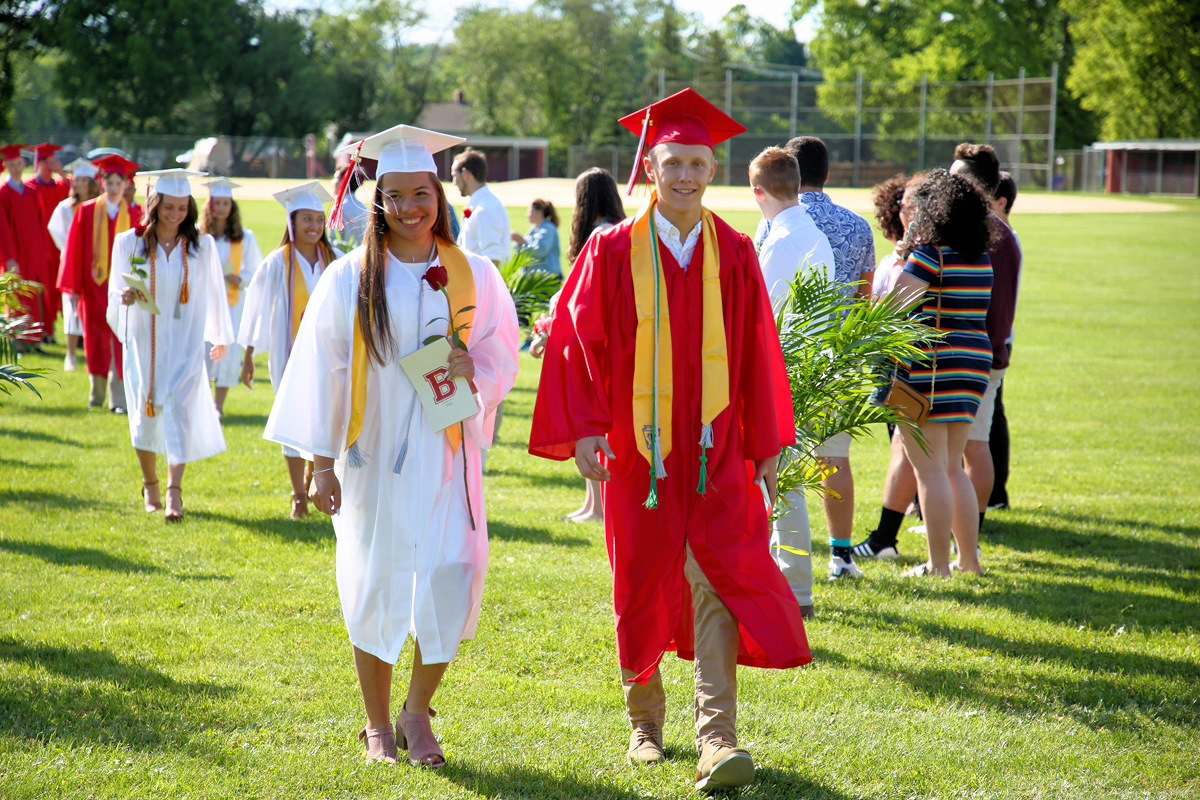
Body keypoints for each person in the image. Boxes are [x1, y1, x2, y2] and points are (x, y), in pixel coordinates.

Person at [530, 89, 810, 793]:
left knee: (720, 574)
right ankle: (644, 723)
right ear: (649, 168)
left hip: (717, 447)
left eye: (696, 162)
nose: (684, 175)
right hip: (638, 450)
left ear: (713, 170)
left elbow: (756, 352)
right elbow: (575, 338)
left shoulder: (737, 252)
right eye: (671, 162)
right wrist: (589, 427)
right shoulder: (612, 247)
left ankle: (717, 738)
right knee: (642, 580)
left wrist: (769, 443)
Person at [265, 124, 519, 768]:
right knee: (375, 584)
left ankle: (417, 710)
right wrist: (320, 465)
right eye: (396, 196)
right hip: (369, 457)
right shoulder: (351, 277)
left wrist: (476, 375)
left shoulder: (474, 274)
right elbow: (320, 372)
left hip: (446, 455)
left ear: (439, 195)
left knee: (452, 576)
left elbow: (500, 356)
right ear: (377, 201)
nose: (410, 209)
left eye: (422, 195)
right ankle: (378, 723)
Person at [770, 136, 877, 580]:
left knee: (785, 461)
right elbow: (865, 298)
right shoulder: (857, 226)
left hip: (791, 354)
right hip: (840, 353)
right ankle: (840, 555)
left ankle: (788, 562)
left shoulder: (777, 221)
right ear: (827, 174)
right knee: (835, 457)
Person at [106, 169, 235, 523]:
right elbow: (114, 295)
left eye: (182, 207)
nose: (175, 214)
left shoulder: (201, 246)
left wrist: (219, 337)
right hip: (144, 339)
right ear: (155, 203)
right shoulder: (129, 244)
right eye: (169, 207)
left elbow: (215, 294)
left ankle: (174, 492)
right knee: (145, 412)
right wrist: (125, 297)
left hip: (185, 340)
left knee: (181, 409)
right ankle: (150, 484)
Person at [884, 168, 993, 577]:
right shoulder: (980, 256)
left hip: (929, 370)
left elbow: (895, 307)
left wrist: (900, 264)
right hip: (971, 368)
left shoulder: (930, 253)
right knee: (952, 467)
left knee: (929, 470)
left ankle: (939, 566)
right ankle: (968, 562)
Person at [749, 145, 836, 615]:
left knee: (784, 483)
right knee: (784, 481)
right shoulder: (805, 232)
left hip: (785, 373)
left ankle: (796, 589)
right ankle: (789, 584)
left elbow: (762, 315)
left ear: (757, 191)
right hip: (802, 367)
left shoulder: (782, 240)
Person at [237, 181, 341, 520]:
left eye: (317, 219)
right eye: (306, 219)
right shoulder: (276, 263)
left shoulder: (335, 261)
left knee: (325, 417)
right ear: (292, 223)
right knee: (294, 418)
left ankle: (316, 478)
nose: (313, 226)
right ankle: (298, 494)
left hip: (330, 356)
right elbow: (253, 307)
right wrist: (249, 353)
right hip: (289, 356)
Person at [531, 167, 627, 524]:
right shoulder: (613, 231)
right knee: (591, 425)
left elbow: (582, 297)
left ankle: (600, 506)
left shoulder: (602, 235)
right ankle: (593, 504)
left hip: (599, 344)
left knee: (594, 423)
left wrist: (550, 326)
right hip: (603, 340)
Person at [949, 144, 1021, 546]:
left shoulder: (994, 234)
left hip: (982, 356)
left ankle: (969, 535)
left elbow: (999, 305)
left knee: (973, 447)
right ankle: (966, 529)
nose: (951, 181)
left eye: (959, 176)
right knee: (969, 447)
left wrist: (990, 354)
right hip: (980, 354)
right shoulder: (984, 229)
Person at [854, 173, 923, 561]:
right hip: (892, 362)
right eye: (900, 204)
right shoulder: (902, 252)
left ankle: (885, 540)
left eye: (908, 204)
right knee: (909, 450)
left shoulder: (924, 254)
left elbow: (895, 307)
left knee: (910, 452)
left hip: (908, 364)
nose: (901, 211)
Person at [58, 154, 143, 412]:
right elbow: (74, 250)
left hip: (123, 289)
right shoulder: (87, 211)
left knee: (122, 339)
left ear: (127, 185)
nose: (115, 188)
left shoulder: (137, 214)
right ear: (103, 182)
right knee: (95, 340)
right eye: (110, 182)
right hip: (93, 286)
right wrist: (73, 288)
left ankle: (119, 400)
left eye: (119, 183)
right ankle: (96, 396)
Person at [199, 178, 262, 420]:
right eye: (217, 203)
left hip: (233, 302)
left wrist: (241, 278)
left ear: (232, 206)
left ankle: (218, 406)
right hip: (206, 302)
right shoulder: (200, 234)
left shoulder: (245, 237)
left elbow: (255, 268)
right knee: (204, 350)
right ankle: (203, 403)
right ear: (209, 206)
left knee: (229, 352)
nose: (222, 208)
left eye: (226, 203)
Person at [48, 158, 102, 372]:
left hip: (95, 263)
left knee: (93, 308)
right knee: (72, 308)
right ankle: (70, 354)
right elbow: (55, 230)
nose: (78, 184)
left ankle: (92, 352)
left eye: (83, 180)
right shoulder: (65, 208)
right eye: (76, 180)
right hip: (72, 262)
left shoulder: (99, 206)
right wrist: (69, 250)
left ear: (91, 183)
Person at [987, 171, 1021, 510]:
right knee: (993, 417)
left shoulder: (1005, 239)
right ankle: (995, 494)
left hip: (998, 340)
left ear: (1002, 202)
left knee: (993, 418)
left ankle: (996, 494)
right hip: (999, 339)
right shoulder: (1004, 238)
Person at [1, 144, 51, 349]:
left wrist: (42, 252)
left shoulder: (31, 192)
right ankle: (17, 342)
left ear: (24, 164)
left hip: (32, 253)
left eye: (19, 163)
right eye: (11, 164)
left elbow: (40, 224)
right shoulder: (3, 193)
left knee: (33, 294)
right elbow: (2, 230)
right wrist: (10, 258)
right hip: (14, 254)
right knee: (16, 294)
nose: (16, 167)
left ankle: (34, 341)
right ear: (6, 165)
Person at [26, 143, 71, 340]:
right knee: (39, 289)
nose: (52, 164)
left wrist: (62, 172)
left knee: (54, 290)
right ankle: (40, 330)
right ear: (40, 163)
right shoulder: (30, 188)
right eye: (48, 161)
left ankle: (50, 330)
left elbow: (75, 194)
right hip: (37, 247)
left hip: (56, 247)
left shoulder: (59, 186)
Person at [451, 148, 510, 265]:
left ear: (466, 174)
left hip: (482, 282)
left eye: (454, 176)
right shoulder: (481, 205)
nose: (454, 182)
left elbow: (493, 259)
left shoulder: (485, 209)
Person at [510, 198, 562, 277]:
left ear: (539, 212)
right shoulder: (534, 230)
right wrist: (518, 243)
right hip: (536, 279)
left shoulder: (548, 229)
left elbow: (540, 251)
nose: (527, 214)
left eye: (530, 211)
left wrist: (522, 242)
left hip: (547, 278)